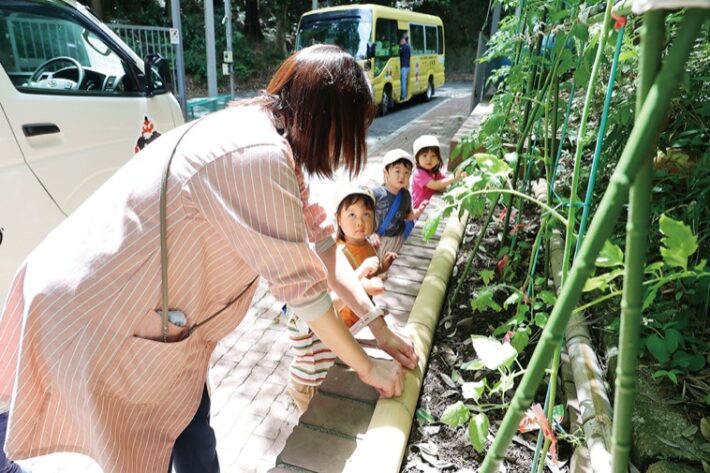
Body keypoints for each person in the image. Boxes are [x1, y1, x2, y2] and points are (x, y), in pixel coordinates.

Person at [0, 45, 416, 473]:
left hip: (157, 319)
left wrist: (378, 329)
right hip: (99, 304)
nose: (350, 145)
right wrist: (368, 368)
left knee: (188, 420)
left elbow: (325, 247)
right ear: (328, 120)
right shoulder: (257, 156)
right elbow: (307, 294)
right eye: (351, 131)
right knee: (88, 439)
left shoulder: (269, 139)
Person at [287, 186, 401, 412]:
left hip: (328, 371)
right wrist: (360, 282)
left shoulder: (366, 246)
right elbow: (325, 306)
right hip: (309, 385)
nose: (360, 221)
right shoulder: (298, 312)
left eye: (366, 214)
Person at [370, 149, 428, 260]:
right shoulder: (376, 193)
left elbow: (407, 215)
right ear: (386, 172)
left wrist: (419, 211)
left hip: (396, 240)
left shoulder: (405, 196)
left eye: (406, 173)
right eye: (397, 171)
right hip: (377, 240)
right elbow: (365, 215)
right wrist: (371, 233)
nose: (402, 176)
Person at [411, 135, 468, 209]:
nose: (429, 159)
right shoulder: (418, 173)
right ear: (417, 158)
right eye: (424, 155)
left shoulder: (434, 172)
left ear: (438, 158)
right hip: (419, 210)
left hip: (429, 205)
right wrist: (454, 177)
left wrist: (460, 178)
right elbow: (435, 185)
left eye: (433, 156)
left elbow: (446, 181)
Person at [399, 33, 411, 101]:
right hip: (407, 66)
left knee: (403, 81)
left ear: (404, 40)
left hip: (404, 66)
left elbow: (400, 52)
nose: (401, 40)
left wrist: (400, 45)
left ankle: (403, 95)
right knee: (404, 80)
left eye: (402, 39)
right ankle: (404, 94)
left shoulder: (404, 47)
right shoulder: (408, 46)